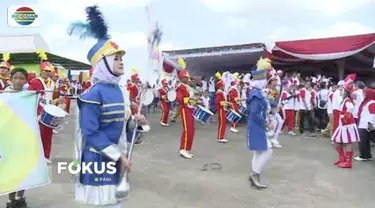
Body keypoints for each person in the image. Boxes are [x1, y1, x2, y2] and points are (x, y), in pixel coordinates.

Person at [68, 5, 149, 207]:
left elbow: (124, 129)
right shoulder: (91, 95)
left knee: (116, 203)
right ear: (102, 63)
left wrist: (137, 123)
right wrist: (117, 155)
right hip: (98, 160)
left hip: (117, 159)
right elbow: (91, 132)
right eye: (116, 58)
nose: (121, 61)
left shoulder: (122, 91)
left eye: (122, 58)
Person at [4, 68, 30, 208]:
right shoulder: (4, 95)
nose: (18, 81)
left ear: (26, 81)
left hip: (25, 137)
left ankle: (20, 197)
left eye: (21, 78)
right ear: (11, 79)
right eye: (16, 78)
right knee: (11, 169)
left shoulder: (28, 95)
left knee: (24, 168)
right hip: (8, 138)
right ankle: (10, 200)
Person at [247, 58, 273, 189]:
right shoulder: (256, 95)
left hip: (257, 125)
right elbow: (254, 114)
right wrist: (266, 123)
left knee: (258, 152)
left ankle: (254, 176)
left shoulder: (257, 93)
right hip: (257, 126)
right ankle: (255, 174)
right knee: (268, 151)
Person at [28, 50, 55, 164]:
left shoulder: (52, 83)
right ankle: (36, 156)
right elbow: (29, 95)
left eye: (49, 71)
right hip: (38, 112)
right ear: (41, 71)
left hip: (49, 111)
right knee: (38, 135)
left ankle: (46, 155)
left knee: (48, 134)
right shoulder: (35, 81)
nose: (48, 73)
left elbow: (52, 96)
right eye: (46, 71)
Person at [331, 84, 359, 168]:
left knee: (348, 142)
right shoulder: (345, 99)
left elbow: (350, 108)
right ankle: (342, 158)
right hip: (343, 124)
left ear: (346, 92)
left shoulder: (347, 100)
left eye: (342, 90)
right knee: (336, 140)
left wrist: (345, 117)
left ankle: (348, 161)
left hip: (347, 124)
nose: (341, 91)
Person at [176, 58, 196, 159]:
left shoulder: (186, 87)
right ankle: (183, 149)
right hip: (184, 110)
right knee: (188, 130)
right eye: (187, 78)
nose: (189, 79)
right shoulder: (180, 87)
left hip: (190, 109)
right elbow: (180, 99)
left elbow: (189, 99)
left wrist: (196, 101)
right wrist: (190, 99)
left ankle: (187, 149)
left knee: (191, 130)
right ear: (182, 78)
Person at [354, 87, 375, 162]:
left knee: (363, 141)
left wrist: (371, 124)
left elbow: (373, 114)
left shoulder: (371, 102)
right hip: (363, 124)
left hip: (366, 125)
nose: (363, 94)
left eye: (365, 93)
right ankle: (367, 155)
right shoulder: (367, 101)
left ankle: (364, 156)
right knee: (365, 141)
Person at [215, 72, 228, 143]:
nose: (224, 86)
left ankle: (221, 136)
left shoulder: (221, 92)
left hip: (222, 109)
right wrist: (227, 103)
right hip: (220, 109)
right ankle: (220, 137)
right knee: (222, 123)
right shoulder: (219, 93)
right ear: (220, 86)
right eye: (223, 85)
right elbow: (218, 102)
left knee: (223, 123)